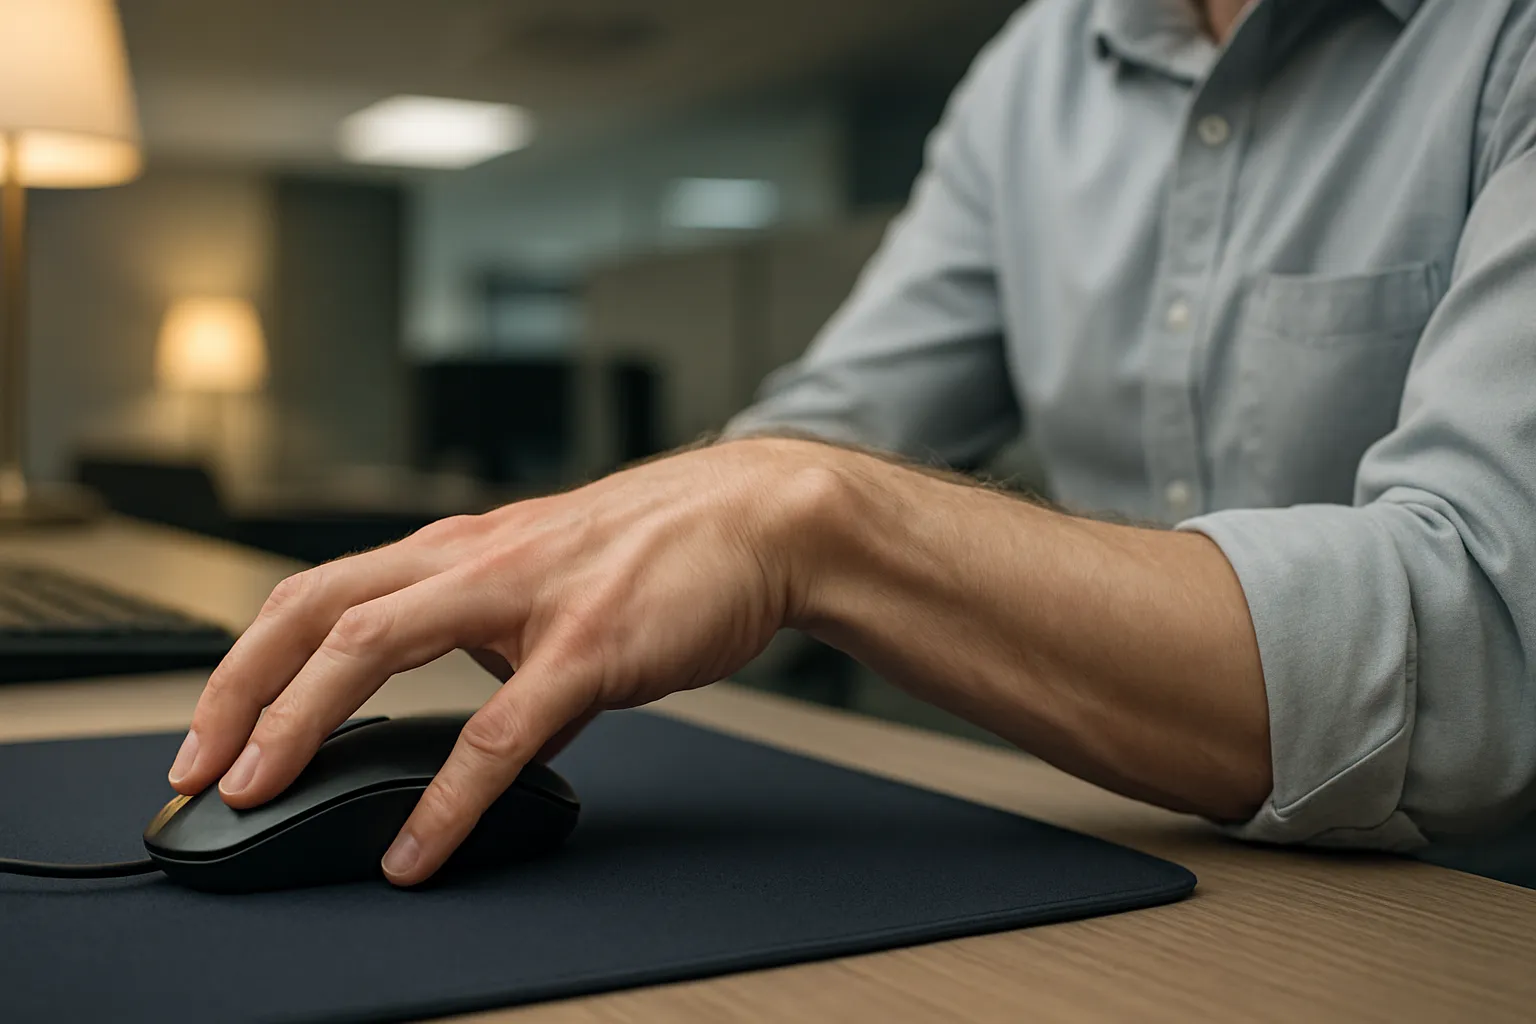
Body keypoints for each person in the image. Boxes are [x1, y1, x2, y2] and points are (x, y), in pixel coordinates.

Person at [166, 0, 1536, 887]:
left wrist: (806, 516)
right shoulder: (1034, 74)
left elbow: (1486, 659)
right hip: (1164, 872)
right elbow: (832, 417)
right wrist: (628, 524)